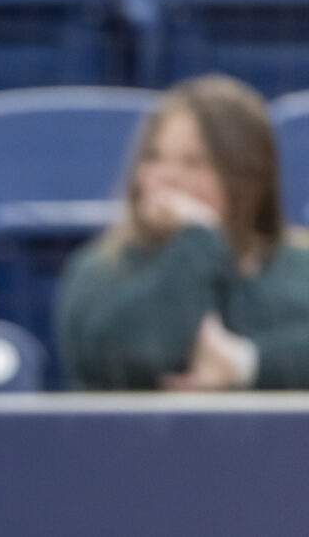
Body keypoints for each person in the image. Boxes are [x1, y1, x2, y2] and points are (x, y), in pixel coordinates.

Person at [55, 74, 309, 391]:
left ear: (249, 177)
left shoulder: (300, 266)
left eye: (194, 162)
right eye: (154, 157)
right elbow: (129, 355)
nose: (167, 178)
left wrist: (246, 362)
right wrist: (199, 236)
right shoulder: (103, 269)